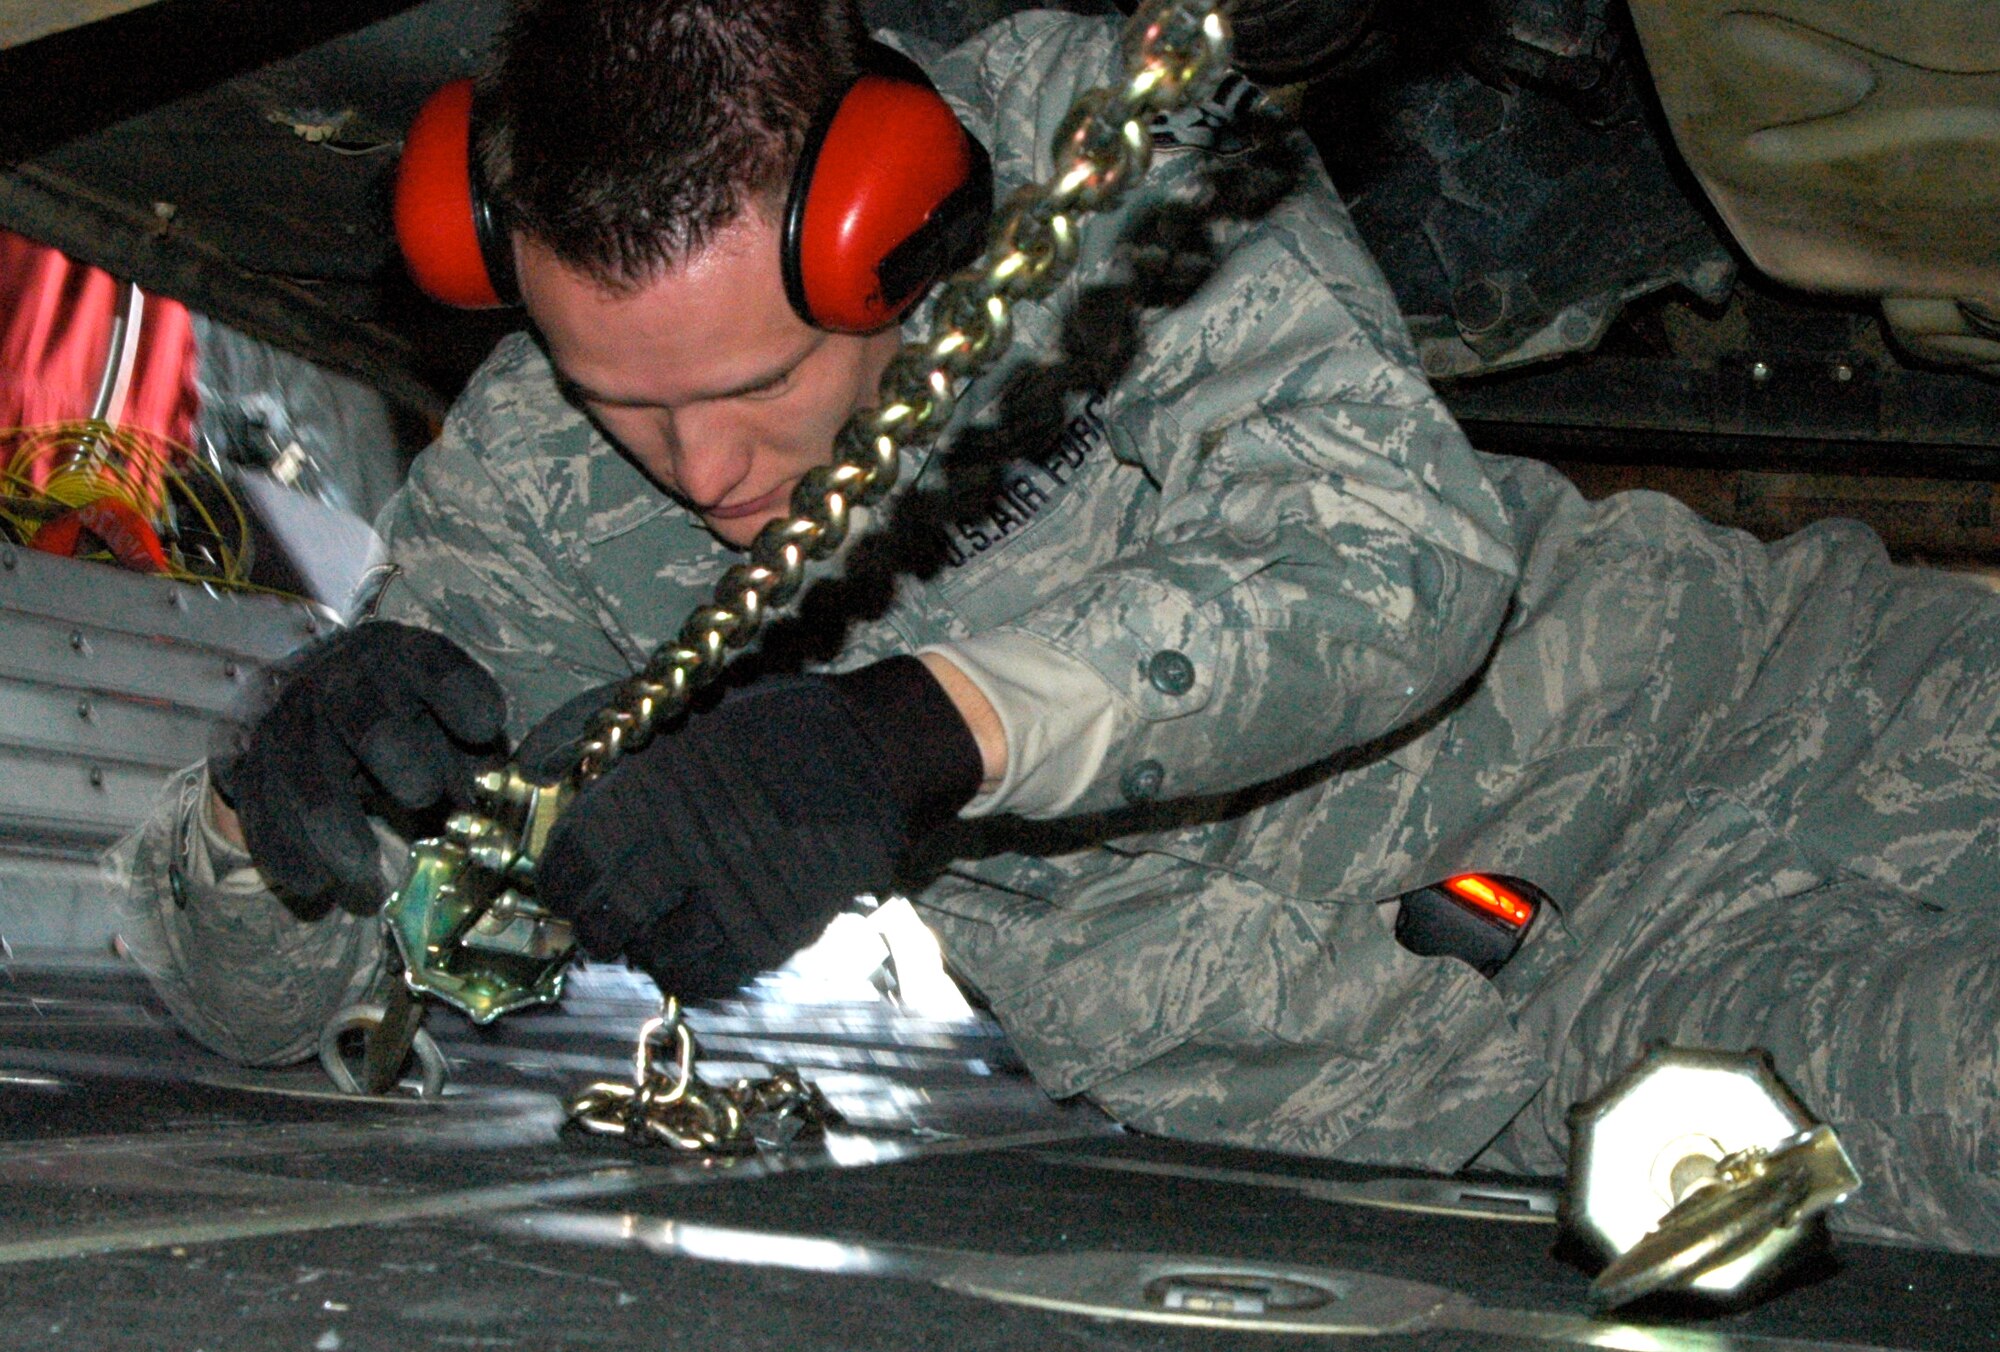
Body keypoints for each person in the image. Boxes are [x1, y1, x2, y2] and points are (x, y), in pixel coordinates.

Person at [124, 0, 2000, 1256]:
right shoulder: (539, 494)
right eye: (626, 397)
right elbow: (258, 1006)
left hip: (1799, 698)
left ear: (892, 230)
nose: (699, 467)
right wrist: (260, 815)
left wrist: (922, 730)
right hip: (1582, 1039)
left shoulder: (1080, 148)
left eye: (759, 382)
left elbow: (1394, 555)